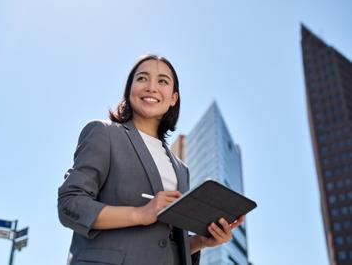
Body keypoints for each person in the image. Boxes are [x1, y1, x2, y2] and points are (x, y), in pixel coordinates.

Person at [58, 54, 245, 265]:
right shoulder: (104, 133)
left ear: (173, 98)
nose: (151, 87)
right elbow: (70, 204)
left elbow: (164, 243)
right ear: (130, 91)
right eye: (142, 78)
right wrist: (140, 214)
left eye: (162, 81)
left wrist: (200, 241)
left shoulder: (181, 169)